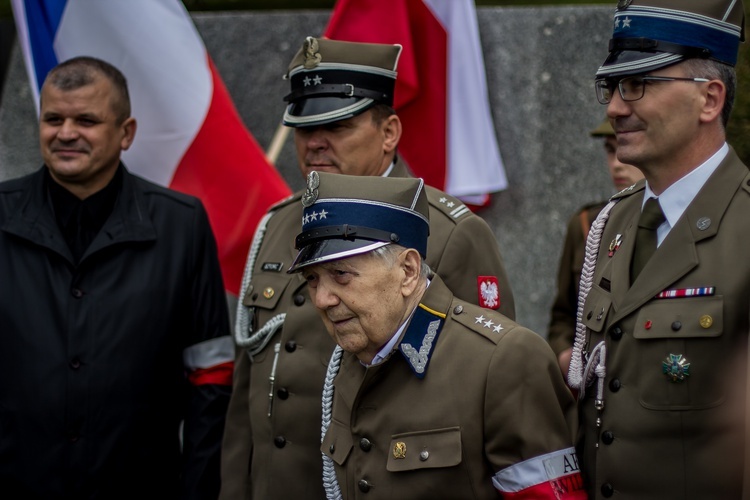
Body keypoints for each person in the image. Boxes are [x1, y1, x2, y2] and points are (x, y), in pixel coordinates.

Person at [220, 37, 515, 499]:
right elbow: (246, 394)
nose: (315, 140)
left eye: (337, 124)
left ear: (389, 132)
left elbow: (495, 386)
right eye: (303, 126)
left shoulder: (446, 231)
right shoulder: (277, 226)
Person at [0, 56, 233, 498]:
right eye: (53, 118)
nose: (65, 133)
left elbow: (212, 373)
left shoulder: (179, 225)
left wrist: (197, 488)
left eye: (86, 120)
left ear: (126, 133)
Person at [288, 170, 584, 499]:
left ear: (408, 271)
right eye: (312, 280)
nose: (321, 299)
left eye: (340, 274)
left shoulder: (503, 358)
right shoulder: (348, 361)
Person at [567, 0, 750, 497]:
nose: (614, 108)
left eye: (638, 85)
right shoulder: (611, 222)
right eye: (612, 87)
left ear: (709, 99)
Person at [548, 118, 643, 378]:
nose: (616, 164)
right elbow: (563, 315)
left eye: (624, 148)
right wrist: (564, 353)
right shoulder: (588, 224)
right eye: (611, 150)